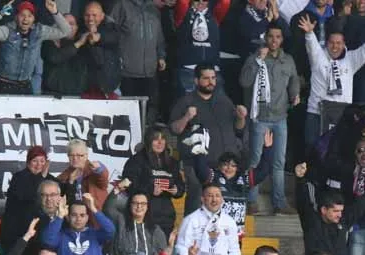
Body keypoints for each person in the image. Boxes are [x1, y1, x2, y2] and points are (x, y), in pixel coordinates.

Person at [298, 15, 365, 144]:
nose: (335, 46)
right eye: (332, 43)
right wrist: (309, 33)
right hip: (316, 114)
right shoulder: (318, 57)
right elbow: (312, 45)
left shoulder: (351, 59)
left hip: (341, 116)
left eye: (338, 43)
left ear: (343, 44)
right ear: (326, 43)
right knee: (312, 151)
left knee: (338, 151)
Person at [238, 24, 298, 215]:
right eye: (271, 36)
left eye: (278, 37)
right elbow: (244, 81)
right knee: (255, 159)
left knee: (279, 162)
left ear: (282, 39)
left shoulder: (288, 60)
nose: (274, 40)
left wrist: (295, 94)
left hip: (280, 117)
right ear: (266, 38)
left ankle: (279, 202)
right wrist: (258, 61)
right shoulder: (255, 57)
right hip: (260, 117)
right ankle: (251, 201)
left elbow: (294, 79)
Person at [169, 64, 246, 212]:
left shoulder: (224, 100)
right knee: (196, 202)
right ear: (196, 80)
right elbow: (174, 129)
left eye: (213, 78)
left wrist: (241, 117)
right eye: (206, 78)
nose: (210, 82)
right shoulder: (186, 101)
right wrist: (186, 117)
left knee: (224, 206)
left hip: (223, 164)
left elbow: (238, 128)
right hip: (196, 164)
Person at [0, 0, 72, 94]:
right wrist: (1, 13)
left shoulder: (39, 31)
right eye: (22, 15)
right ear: (16, 17)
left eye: (29, 16)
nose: (25, 19)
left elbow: (66, 31)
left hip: (25, 86)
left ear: (34, 18)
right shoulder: (8, 30)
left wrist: (55, 12)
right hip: (4, 85)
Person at [41, 194, 116, 255]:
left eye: (82, 215)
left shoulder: (95, 234)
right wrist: (60, 215)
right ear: (68, 217)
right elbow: (48, 240)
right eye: (74, 215)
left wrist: (93, 209)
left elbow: (111, 230)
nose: (78, 219)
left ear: (87, 218)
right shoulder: (62, 236)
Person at [120, 129, 183, 238]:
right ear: (148, 141)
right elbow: (128, 184)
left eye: (163, 139)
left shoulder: (172, 162)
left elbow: (181, 185)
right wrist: (149, 190)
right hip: (143, 215)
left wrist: (177, 190)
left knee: (164, 247)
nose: (160, 143)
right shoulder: (136, 160)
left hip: (166, 217)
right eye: (155, 139)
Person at [175, 183, 243, 255]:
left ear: (222, 199)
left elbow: (234, 248)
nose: (214, 199)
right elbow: (181, 247)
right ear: (202, 199)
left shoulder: (229, 221)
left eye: (217, 196)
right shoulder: (190, 220)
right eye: (210, 196)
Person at [57, 139, 109, 208]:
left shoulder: (93, 171)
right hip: (74, 213)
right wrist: (70, 182)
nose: (75, 158)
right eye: (71, 155)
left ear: (86, 156)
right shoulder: (64, 176)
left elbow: (103, 177)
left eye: (79, 155)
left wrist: (99, 168)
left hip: (95, 213)